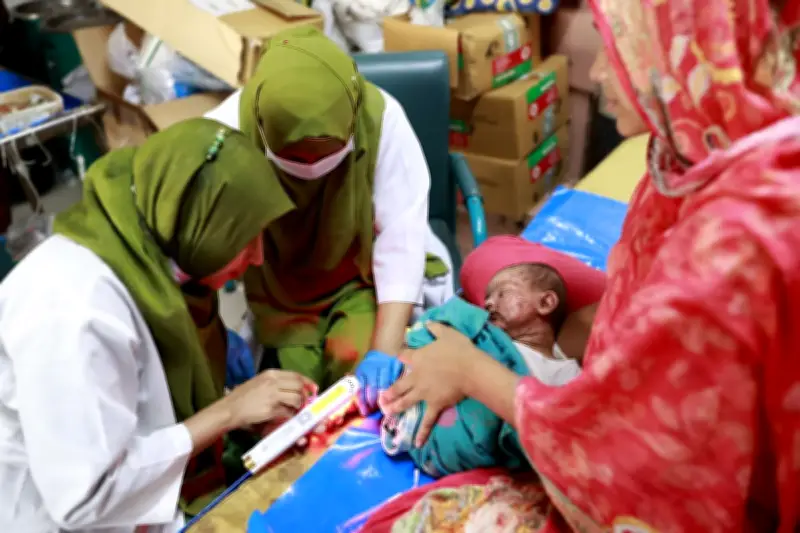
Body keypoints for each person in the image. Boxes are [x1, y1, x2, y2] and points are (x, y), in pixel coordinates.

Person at [380, 0, 800, 530]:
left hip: (620, 461)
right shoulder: (690, 149)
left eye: (615, 47)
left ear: (679, 54)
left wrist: (471, 369)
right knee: (492, 258)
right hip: (588, 339)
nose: (598, 72)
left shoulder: (732, 249)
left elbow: (620, 467)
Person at [0, 118, 317, 532]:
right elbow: (85, 497)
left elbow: (141, 398)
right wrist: (227, 412)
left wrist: (236, 410)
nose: (257, 257)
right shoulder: (76, 312)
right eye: (244, 239)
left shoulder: (153, 257)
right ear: (201, 229)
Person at [202, 27, 433, 410]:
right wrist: (213, 335)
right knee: (297, 390)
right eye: (294, 161)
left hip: (358, 274)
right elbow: (198, 244)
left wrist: (386, 350)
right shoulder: (223, 134)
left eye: (325, 157)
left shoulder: (382, 120)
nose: (310, 170)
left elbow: (401, 240)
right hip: (278, 284)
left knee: (357, 368)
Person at [379, 236, 605, 478]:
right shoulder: (487, 336)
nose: (488, 303)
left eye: (503, 294)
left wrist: (468, 369)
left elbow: (563, 429)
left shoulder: (567, 373)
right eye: (488, 298)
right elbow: (440, 325)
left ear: (546, 302)